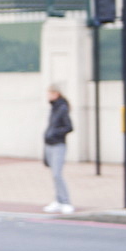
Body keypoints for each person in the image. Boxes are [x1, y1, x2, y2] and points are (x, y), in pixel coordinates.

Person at [43, 84, 74, 214]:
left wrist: (54, 133)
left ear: (56, 93)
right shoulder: (54, 107)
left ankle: (66, 202)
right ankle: (58, 200)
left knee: (57, 174)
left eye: (50, 93)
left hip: (58, 145)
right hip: (49, 144)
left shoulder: (62, 107)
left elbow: (69, 127)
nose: (48, 96)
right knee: (54, 175)